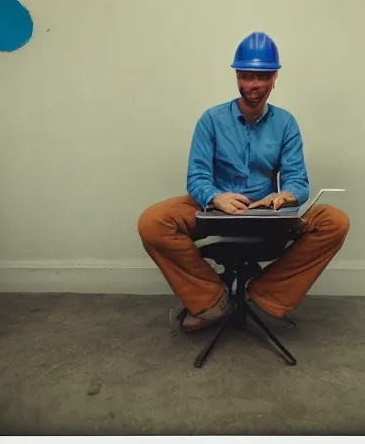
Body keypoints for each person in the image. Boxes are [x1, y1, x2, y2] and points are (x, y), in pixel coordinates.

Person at [138, 32, 350, 332]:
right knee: (152, 221)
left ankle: (263, 295)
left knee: (335, 221)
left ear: (274, 78)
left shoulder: (286, 123)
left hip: (267, 215)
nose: (254, 85)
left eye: (262, 76)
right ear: (237, 76)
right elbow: (197, 177)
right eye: (247, 75)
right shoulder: (211, 120)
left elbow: (298, 181)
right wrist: (215, 197)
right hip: (215, 212)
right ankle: (212, 300)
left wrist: (285, 196)